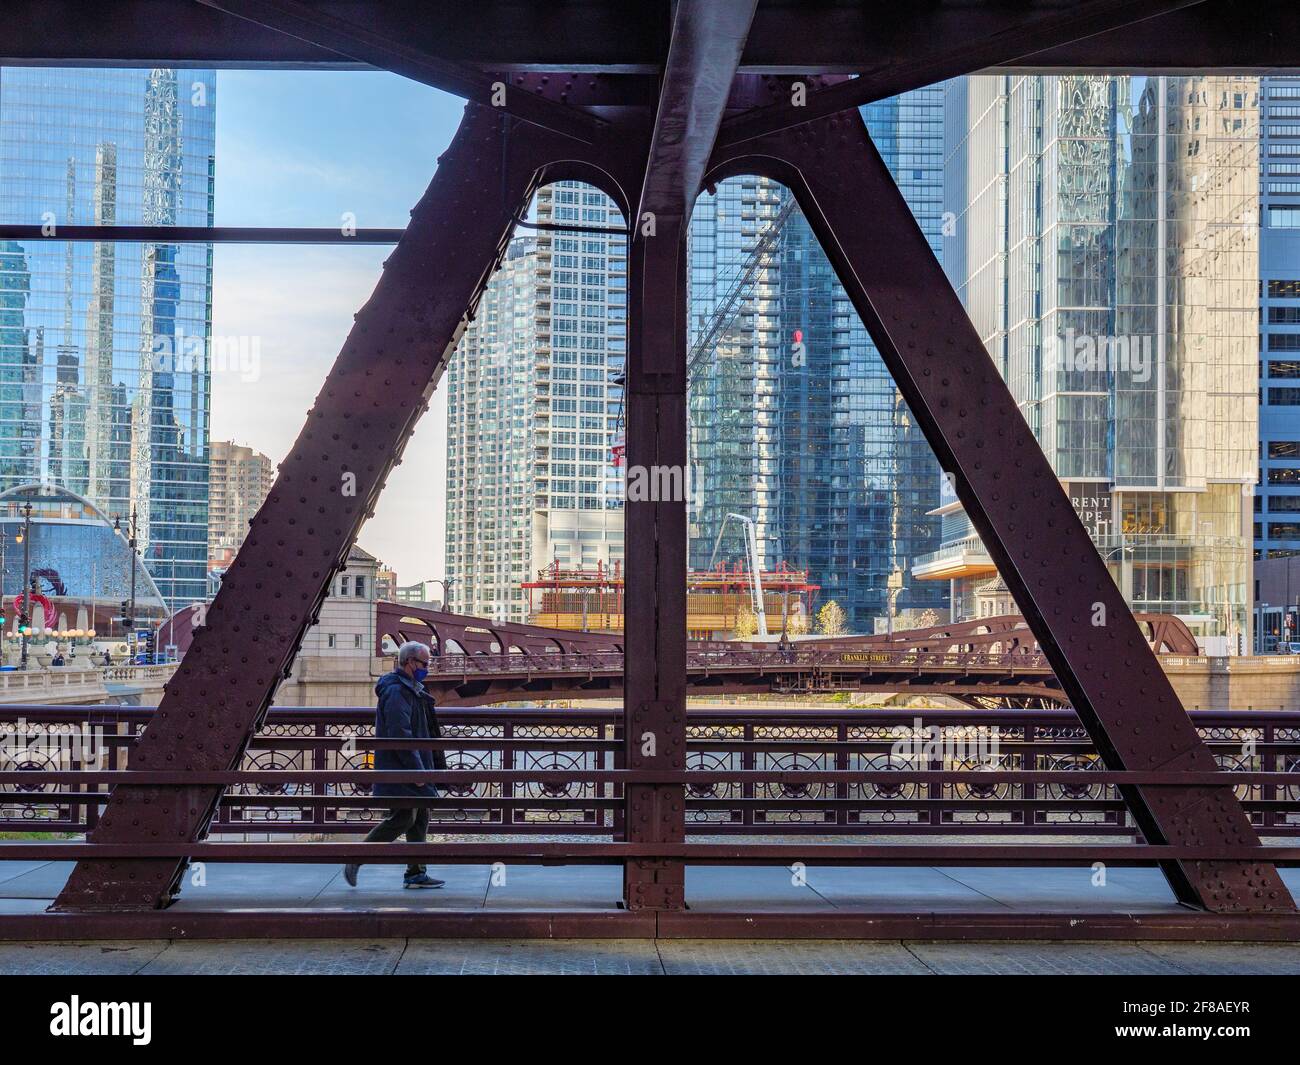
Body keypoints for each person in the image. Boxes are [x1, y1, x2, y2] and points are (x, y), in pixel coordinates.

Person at [343, 640, 446, 889]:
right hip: (403, 768)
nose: (427, 669)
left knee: (421, 816)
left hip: (414, 764)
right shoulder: (397, 691)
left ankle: (416, 873)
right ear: (410, 662)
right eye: (424, 664)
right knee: (403, 818)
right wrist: (416, 770)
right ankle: (356, 858)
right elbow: (401, 734)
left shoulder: (409, 688)